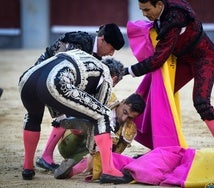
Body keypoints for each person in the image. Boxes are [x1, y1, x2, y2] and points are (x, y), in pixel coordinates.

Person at [124, 0, 214, 162]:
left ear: (160, 5)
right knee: (158, 96)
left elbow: (158, 59)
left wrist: (129, 71)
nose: (144, 14)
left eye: (147, 9)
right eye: (141, 10)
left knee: (201, 102)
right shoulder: (165, 11)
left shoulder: (175, 19)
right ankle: (160, 148)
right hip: (182, 59)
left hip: (205, 57)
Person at [18, 49, 128, 184]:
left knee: (33, 118)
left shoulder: (87, 60)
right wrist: (92, 150)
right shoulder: (106, 75)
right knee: (103, 115)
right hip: (55, 82)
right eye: (114, 84)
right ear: (115, 78)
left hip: (28, 78)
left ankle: (27, 167)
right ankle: (109, 170)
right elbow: (97, 113)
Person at [34, 23, 125, 171]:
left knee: (71, 111)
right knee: (67, 112)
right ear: (102, 40)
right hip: (45, 78)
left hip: (51, 80)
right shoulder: (80, 43)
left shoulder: (94, 54)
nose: (111, 54)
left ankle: (46, 156)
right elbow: (61, 69)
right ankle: (46, 156)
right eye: (112, 48)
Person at [53, 93, 146, 181]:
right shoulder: (106, 98)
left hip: (82, 157)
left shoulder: (129, 130)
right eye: (125, 112)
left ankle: (69, 172)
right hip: (69, 143)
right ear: (122, 102)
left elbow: (114, 155)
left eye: (130, 117)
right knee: (81, 125)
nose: (124, 118)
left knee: (103, 157)